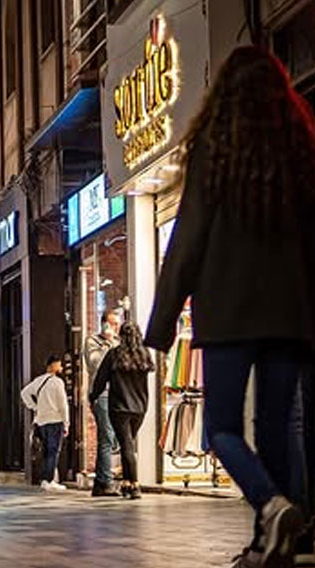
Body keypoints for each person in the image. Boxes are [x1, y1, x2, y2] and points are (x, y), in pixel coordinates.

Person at [144, 47, 315, 568]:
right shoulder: (300, 151)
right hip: (289, 314)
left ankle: (271, 507)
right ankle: (274, 541)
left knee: (221, 427)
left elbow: (188, 239)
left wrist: (164, 317)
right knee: (275, 426)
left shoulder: (213, 149)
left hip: (228, 314)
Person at [90, 322, 152, 501]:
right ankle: (127, 483)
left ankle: (135, 485)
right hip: (140, 407)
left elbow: (101, 380)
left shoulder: (114, 355)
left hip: (119, 407)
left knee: (126, 445)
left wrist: (93, 397)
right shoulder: (144, 355)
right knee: (129, 443)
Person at [84, 310, 121, 497]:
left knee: (111, 439)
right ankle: (106, 482)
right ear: (104, 324)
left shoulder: (118, 343)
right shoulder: (93, 342)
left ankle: (100, 482)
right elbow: (95, 365)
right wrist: (107, 343)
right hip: (102, 395)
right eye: (113, 324)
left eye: (117, 324)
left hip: (118, 395)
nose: (116, 328)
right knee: (107, 437)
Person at [21, 355, 69, 492]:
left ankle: (46, 479)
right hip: (55, 420)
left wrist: (34, 407)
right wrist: (66, 422)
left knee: (46, 451)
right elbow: (63, 404)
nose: (61, 368)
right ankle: (48, 480)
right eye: (59, 365)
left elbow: (24, 393)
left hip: (41, 421)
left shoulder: (38, 380)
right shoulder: (57, 382)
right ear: (52, 366)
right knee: (53, 451)